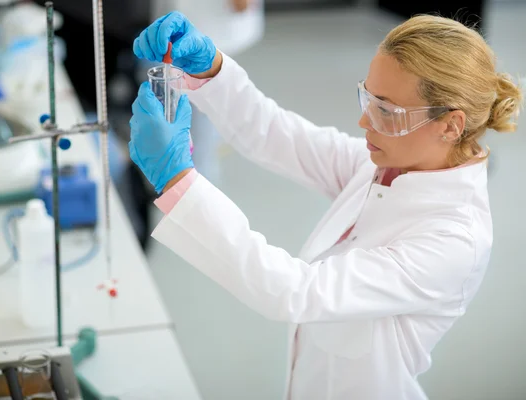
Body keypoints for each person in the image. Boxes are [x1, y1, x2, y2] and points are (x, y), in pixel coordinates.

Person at [128, 11, 522, 399]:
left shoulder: (454, 239)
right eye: (368, 98)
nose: (365, 121)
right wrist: (212, 70)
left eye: (386, 111)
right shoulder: (387, 163)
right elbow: (278, 136)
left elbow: (296, 292)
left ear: (451, 125)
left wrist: (177, 180)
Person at [148, 0, 264, 183]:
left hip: (208, 33)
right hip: (181, 30)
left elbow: (241, 5)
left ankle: (195, 191)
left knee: (199, 144)